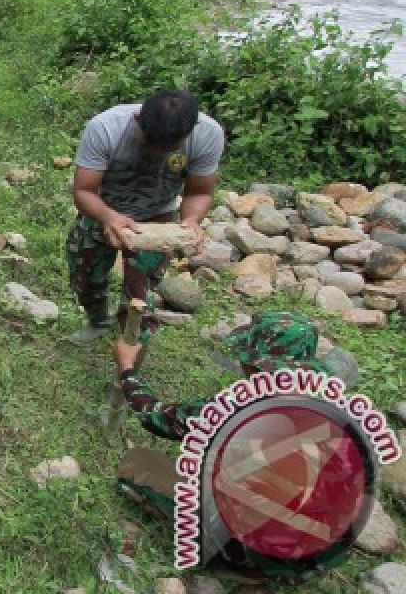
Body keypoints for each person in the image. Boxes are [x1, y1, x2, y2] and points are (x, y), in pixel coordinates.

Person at [113, 310, 361, 582]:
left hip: (262, 555)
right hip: (319, 554)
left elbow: (153, 416)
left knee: (137, 462)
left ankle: (241, 561)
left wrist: (127, 368)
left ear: (255, 365)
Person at [66, 89, 224, 344]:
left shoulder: (207, 134)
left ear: (189, 131)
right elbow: (84, 191)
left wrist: (191, 220)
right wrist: (108, 217)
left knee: (141, 291)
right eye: (150, 143)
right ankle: (98, 320)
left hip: (156, 219)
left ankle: (131, 338)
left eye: (168, 148)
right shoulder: (106, 128)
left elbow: (200, 191)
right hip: (101, 212)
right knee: (85, 277)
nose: (158, 152)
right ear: (138, 119)